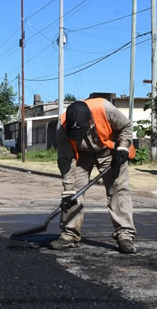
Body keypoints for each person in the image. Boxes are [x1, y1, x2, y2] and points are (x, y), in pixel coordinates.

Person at [51, 98, 137, 254]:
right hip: (82, 156)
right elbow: (65, 159)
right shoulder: (62, 126)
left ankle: (125, 235)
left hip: (110, 151)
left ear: (90, 120)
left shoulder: (105, 109)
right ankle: (69, 234)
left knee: (119, 189)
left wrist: (123, 149)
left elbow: (126, 126)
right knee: (74, 193)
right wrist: (68, 191)